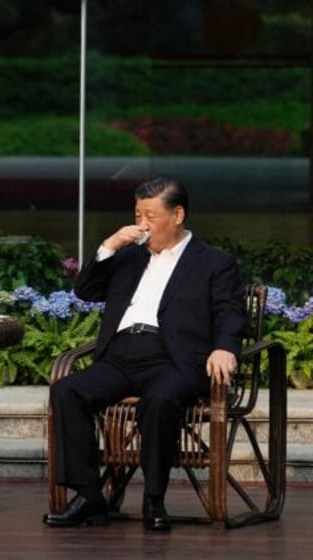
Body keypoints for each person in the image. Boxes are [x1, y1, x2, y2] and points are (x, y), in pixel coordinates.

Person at [42, 177, 247, 532]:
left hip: (173, 360)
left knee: (160, 399)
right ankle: (90, 496)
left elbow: (229, 311)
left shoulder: (213, 262)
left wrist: (225, 347)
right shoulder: (130, 256)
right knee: (66, 390)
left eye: (150, 216)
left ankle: (154, 499)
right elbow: (86, 290)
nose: (141, 224)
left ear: (178, 214)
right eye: (137, 214)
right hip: (120, 356)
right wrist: (108, 246)